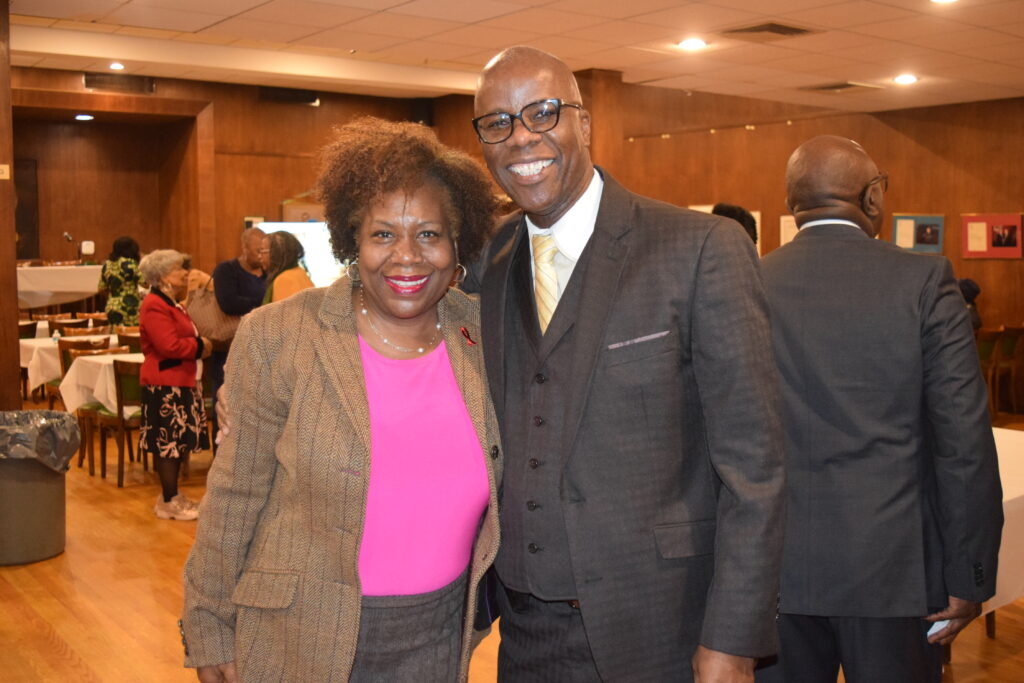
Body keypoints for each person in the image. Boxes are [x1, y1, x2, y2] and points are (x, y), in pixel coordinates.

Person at [465, 47, 786, 682]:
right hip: (523, 635)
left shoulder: (698, 250)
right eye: (497, 122)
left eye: (543, 112)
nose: (521, 135)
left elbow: (756, 468)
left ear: (585, 124)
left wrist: (731, 640)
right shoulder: (487, 262)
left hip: (663, 629)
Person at [181, 118, 502, 682]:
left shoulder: (486, 337)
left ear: (459, 244)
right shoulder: (281, 336)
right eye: (383, 234)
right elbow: (235, 496)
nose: (407, 256)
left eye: (429, 233)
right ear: (351, 240)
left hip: (442, 633)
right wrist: (207, 625)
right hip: (297, 635)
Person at [756, 135, 1003, 683]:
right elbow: (963, 441)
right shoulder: (924, 280)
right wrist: (969, 574)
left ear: (794, 201)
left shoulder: (748, 282)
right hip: (896, 573)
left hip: (774, 574)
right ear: (871, 198)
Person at [138, 249, 213, 521]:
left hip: (181, 382)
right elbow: (168, 345)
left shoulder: (172, 302)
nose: (185, 273)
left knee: (177, 442)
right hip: (165, 385)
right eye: (179, 269)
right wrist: (200, 346)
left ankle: (173, 495)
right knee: (167, 444)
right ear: (163, 276)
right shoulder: (154, 304)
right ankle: (169, 500)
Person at [207, 228, 267, 410]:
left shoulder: (268, 273)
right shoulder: (227, 270)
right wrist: (263, 305)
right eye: (257, 251)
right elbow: (229, 303)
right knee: (226, 402)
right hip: (228, 346)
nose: (261, 256)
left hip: (258, 349)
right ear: (244, 248)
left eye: (264, 251)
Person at [260, 230, 315, 304]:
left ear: (275, 253)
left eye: (262, 251)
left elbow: (282, 314)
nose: (259, 256)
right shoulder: (300, 272)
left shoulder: (284, 280)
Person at [99, 235, 142, 326]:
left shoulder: (107, 265)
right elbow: (145, 282)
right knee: (130, 336)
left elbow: (101, 288)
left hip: (112, 305)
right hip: (130, 306)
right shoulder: (131, 264)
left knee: (115, 336)